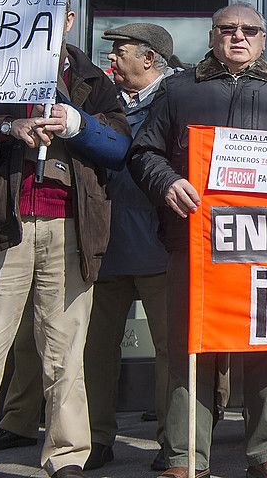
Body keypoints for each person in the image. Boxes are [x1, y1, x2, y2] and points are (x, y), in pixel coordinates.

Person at [129, 2, 267, 478]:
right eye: (228, 29)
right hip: (194, 241)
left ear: (264, 38)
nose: (238, 37)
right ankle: (184, 456)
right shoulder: (179, 90)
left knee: (265, 344)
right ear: (212, 35)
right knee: (191, 347)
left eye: (249, 30)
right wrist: (166, 182)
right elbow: (144, 151)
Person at [0, 3, 130, 478]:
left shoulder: (91, 78)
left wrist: (77, 123)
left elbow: (119, 147)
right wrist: (6, 128)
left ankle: (67, 456)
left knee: (65, 350)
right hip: (2, 224)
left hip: (70, 227)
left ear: (67, 20)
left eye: (53, 12)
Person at [83, 24, 178, 472]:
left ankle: (171, 441)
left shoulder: (177, 100)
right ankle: (95, 439)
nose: (113, 61)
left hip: (159, 248)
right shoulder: (104, 102)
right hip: (106, 245)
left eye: (121, 52)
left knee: (168, 350)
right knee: (96, 350)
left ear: (149, 58)